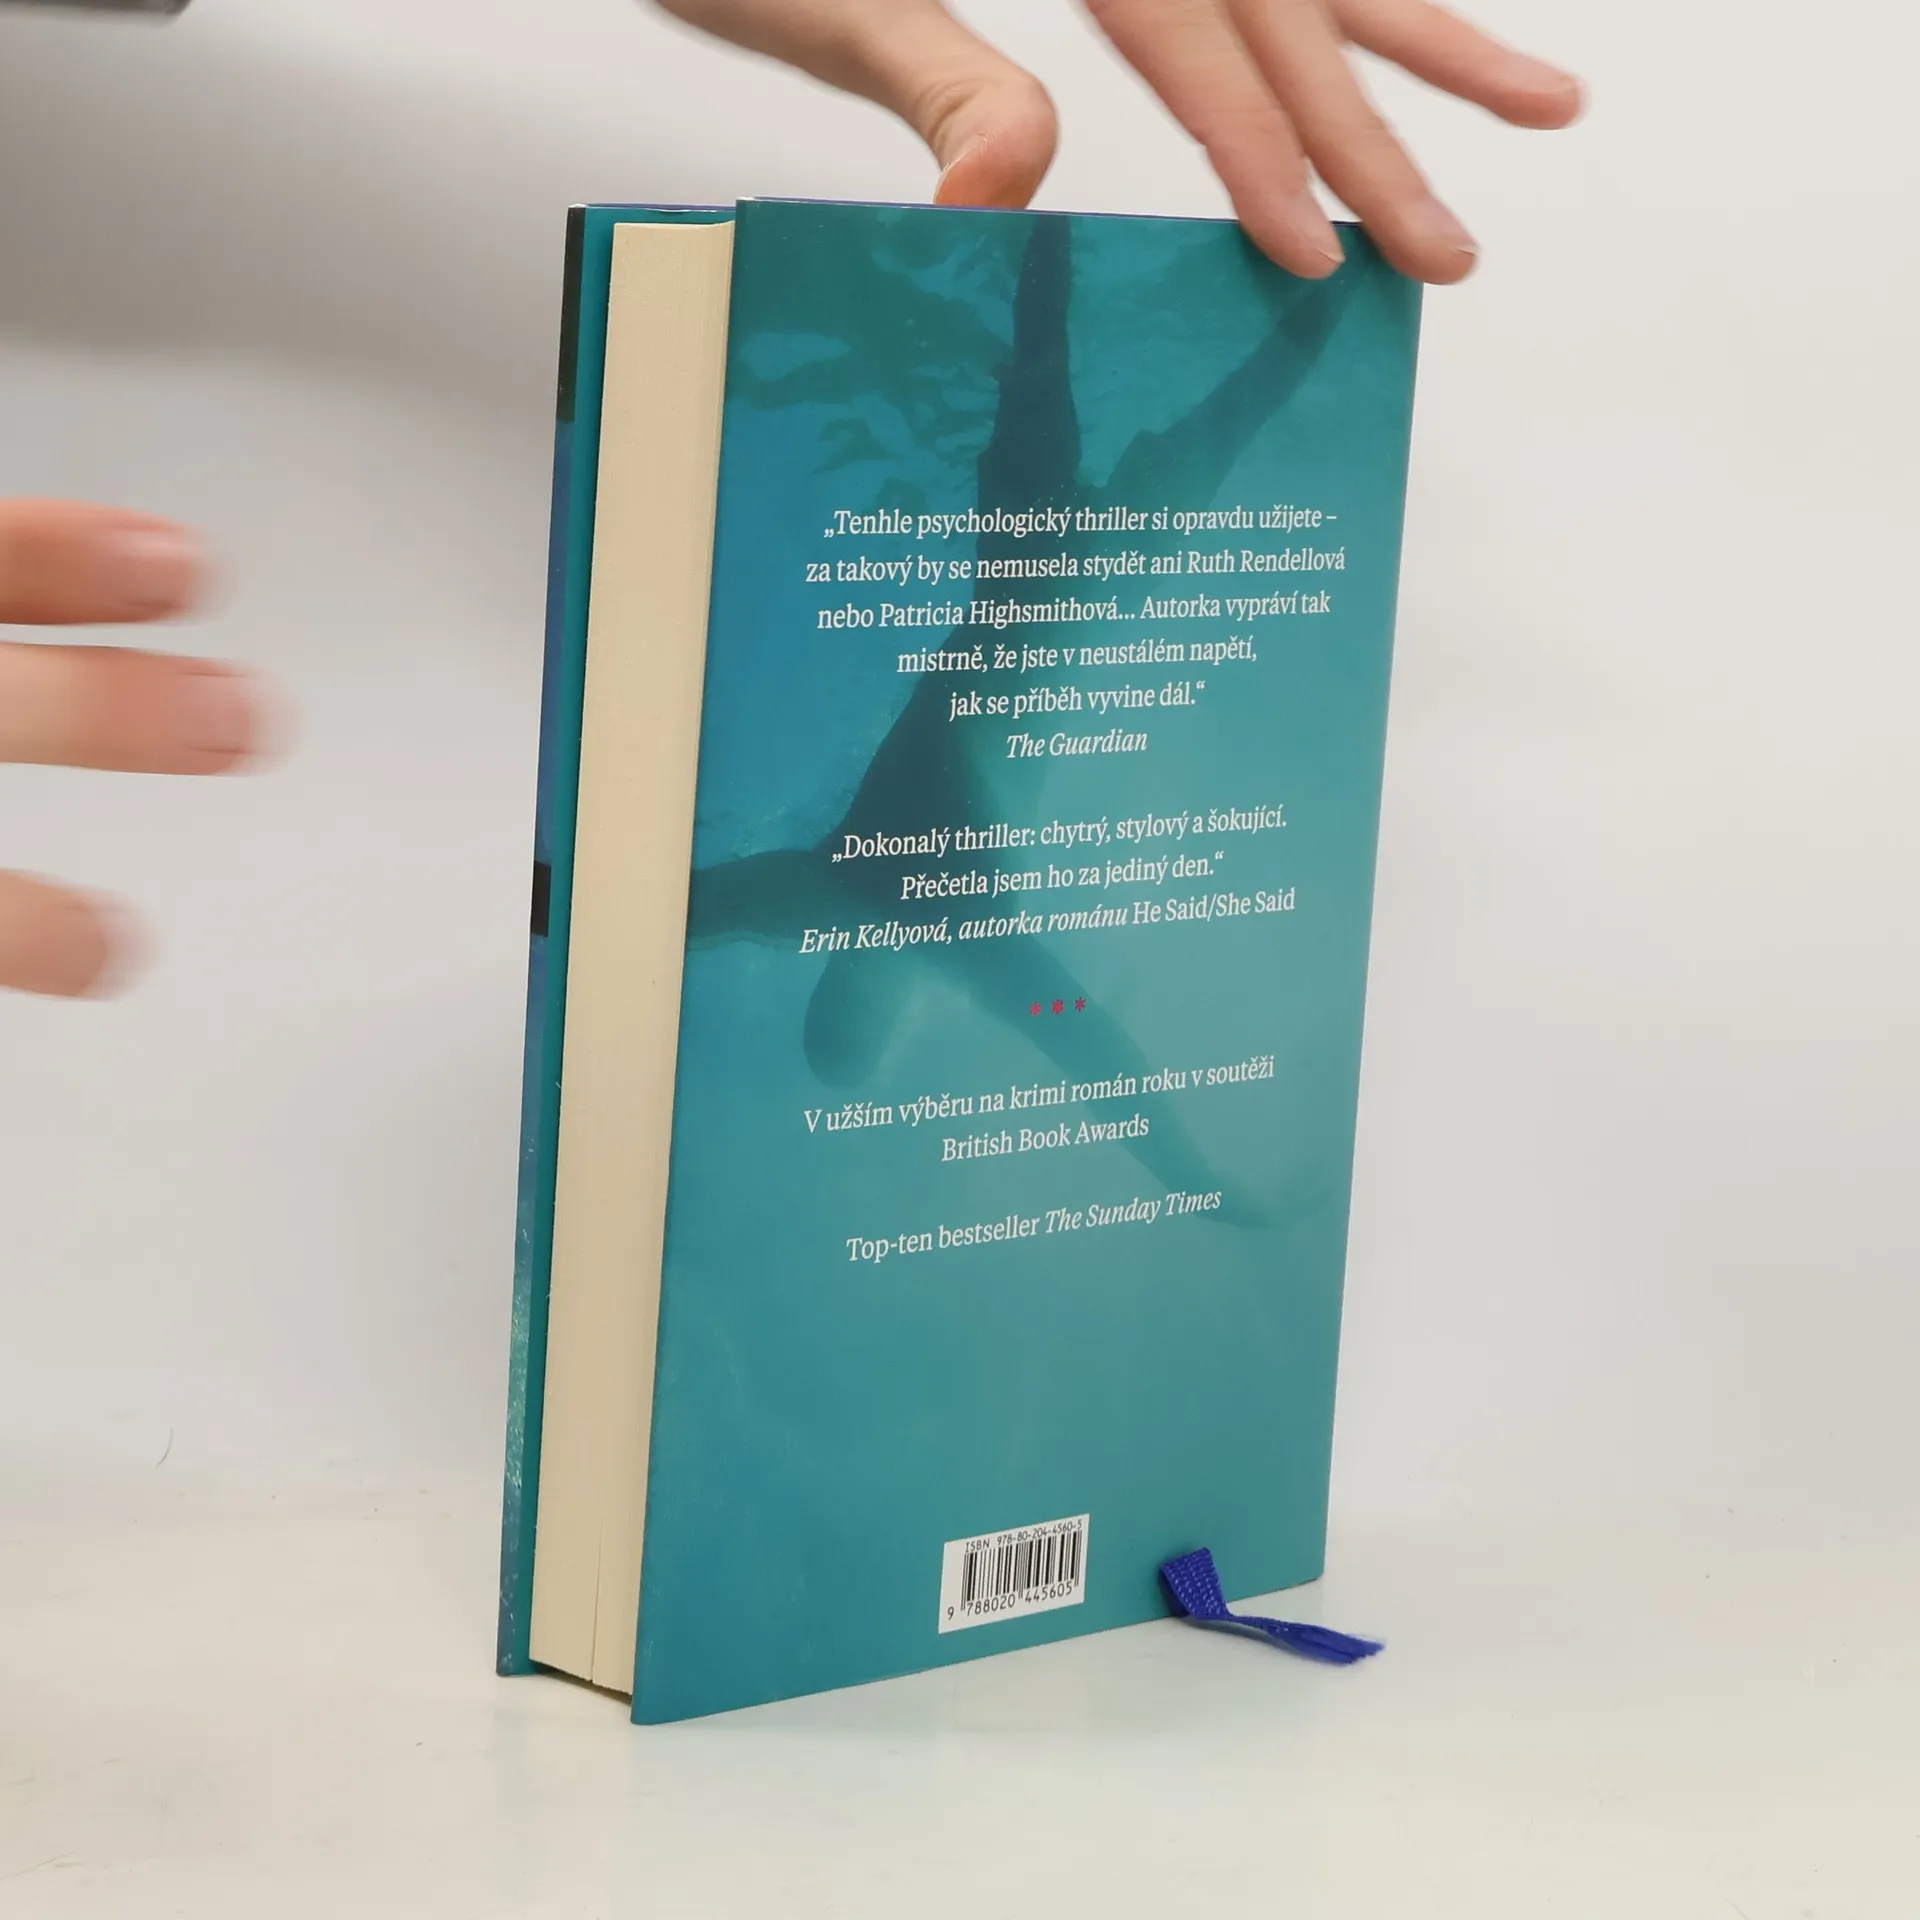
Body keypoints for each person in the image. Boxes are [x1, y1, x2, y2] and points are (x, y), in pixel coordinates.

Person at [0, 0, 1580, 998]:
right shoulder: (920, 925)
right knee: (1112, 378)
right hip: (1047, 577)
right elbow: (695, 916)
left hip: (1061, 579)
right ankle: (1272, 316)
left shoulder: (890, 914)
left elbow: (685, 915)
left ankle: (1260, 316)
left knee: (1126, 384)